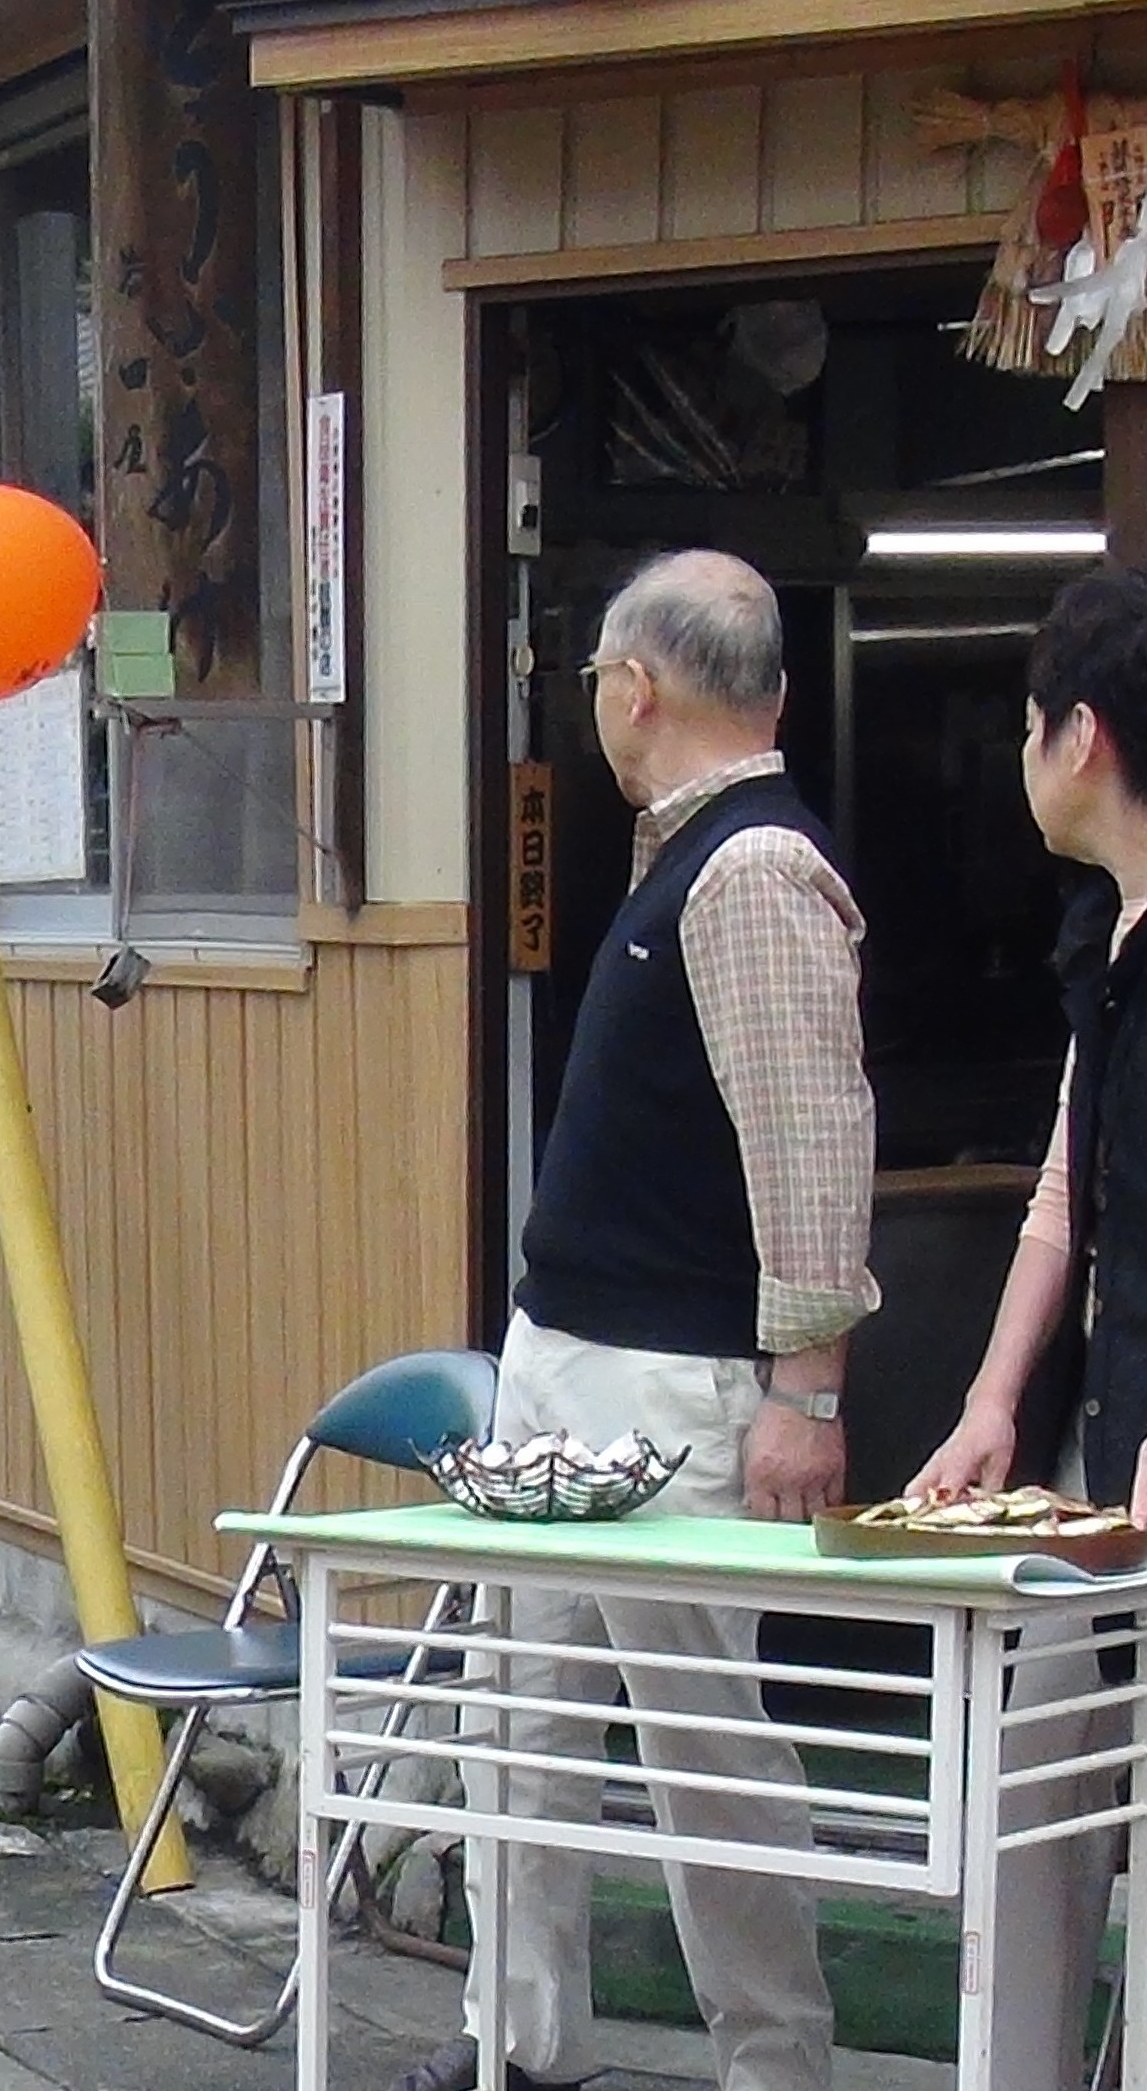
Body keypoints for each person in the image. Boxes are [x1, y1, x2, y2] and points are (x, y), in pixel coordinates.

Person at [394, 551, 873, 2091]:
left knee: (702, 1750)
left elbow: (813, 1141)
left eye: (596, 675)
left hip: (673, 1379)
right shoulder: (682, 852)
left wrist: (808, 1385)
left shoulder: (754, 866)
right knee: (519, 1718)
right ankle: (519, 2050)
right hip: (571, 1349)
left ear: (633, 687)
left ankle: (776, 2066)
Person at [907, 565, 1147, 2091]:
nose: (1019, 756)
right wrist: (994, 1397)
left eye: (1027, 723)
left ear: (1083, 737)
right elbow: (1067, 1189)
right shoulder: (1099, 933)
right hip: (1096, 1462)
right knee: (1033, 1798)